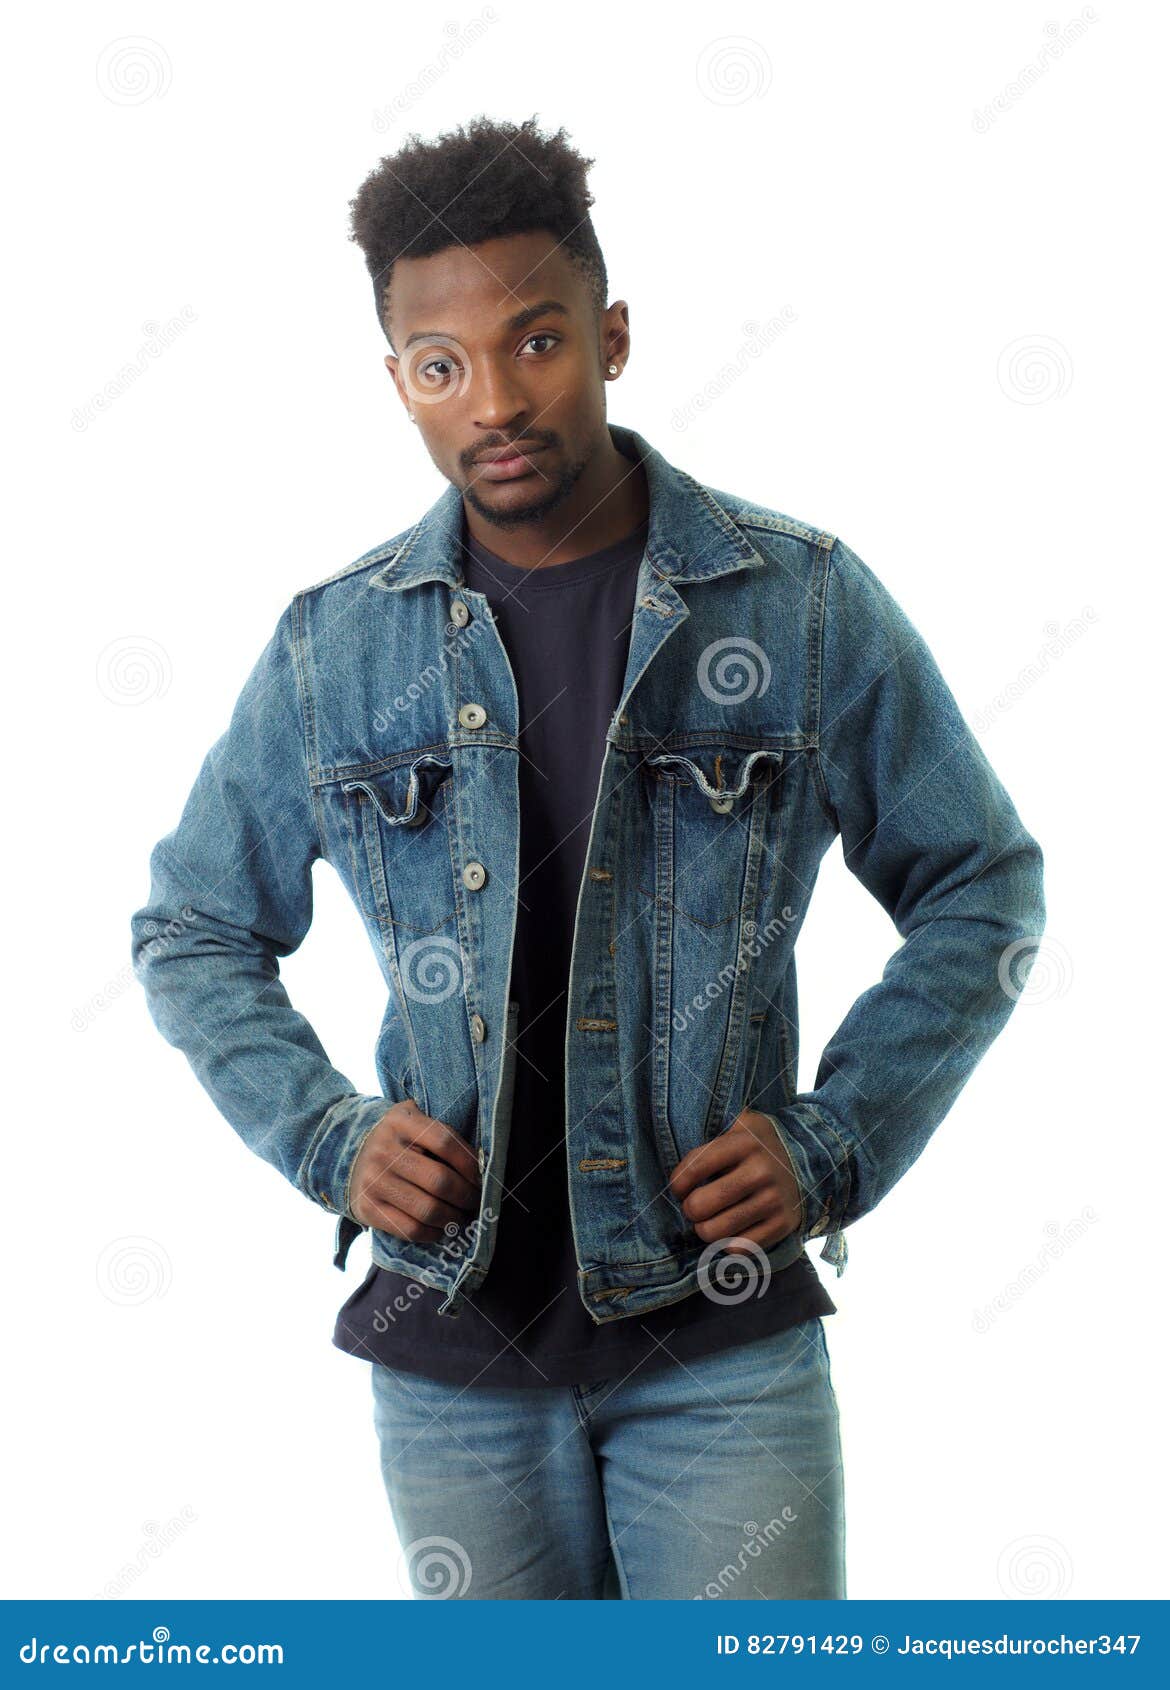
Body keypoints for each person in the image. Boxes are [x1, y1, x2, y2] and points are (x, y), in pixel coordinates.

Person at [131, 114, 1046, 1601]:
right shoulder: (335, 644)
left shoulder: (797, 605)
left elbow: (980, 881)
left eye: (535, 341)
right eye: (442, 364)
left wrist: (834, 1141)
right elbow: (190, 926)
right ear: (398, 383)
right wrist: (325, 1137)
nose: (492, 398)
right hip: (452, 1363)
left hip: (719, 1347)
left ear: (610, 336)